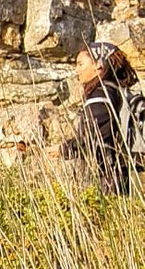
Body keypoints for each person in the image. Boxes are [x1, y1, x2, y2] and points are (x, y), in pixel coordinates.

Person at [57, 41, 140, 195]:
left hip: (111, 181)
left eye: (81, 64)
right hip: (125, 175)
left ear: (98, 66)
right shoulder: (116, 90)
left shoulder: (100, 96)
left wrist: (62, 150)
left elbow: (92, 139)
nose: (77, 71)